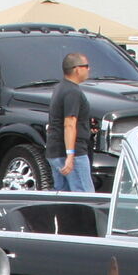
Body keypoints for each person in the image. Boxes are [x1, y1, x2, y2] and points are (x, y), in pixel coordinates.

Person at [46, 51, 95, 192]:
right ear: (77, 69)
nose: (89, 69)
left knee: (65, 200)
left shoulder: (60, 87)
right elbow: (69, 124)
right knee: (85, 199)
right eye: (86, 66)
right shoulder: (72, 92)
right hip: (73, 154)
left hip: (55, 152)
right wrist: (70, 155)